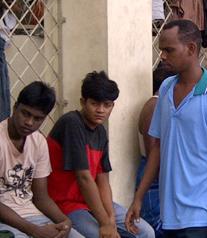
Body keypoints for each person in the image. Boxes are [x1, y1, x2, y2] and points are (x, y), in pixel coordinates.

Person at [126, 20, 207, 238]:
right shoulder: (166, 88)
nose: (163, 56)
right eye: (161, 50)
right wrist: (139, 197)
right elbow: (157, 147)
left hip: (202, 215)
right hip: (168, 214)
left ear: (191, 49)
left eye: (169, 50)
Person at [47, 71, 154, 238]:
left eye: (107, 105)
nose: (101, 110)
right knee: (101, 235)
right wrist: (105, 224)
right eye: (95, 104)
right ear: (83, 102)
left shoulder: (100, 132)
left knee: (145, 233)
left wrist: (110, 219)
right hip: (65, 203)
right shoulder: (71, 123)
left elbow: (103, 180)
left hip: (90, 201)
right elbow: (84, 178)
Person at [0, 82, 81, 238]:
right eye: (25, 113)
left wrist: (64, 220)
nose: (29, 122)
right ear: (15, 107)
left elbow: (41, 197)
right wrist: (33, 230)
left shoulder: (39, 142)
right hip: (6, 221)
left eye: (37, 118)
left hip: (32, 216)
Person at [136, 64, 175, 237]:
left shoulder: (160, 104)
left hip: (158, 174)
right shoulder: (155, 105)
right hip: (154, 176)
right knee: (157, 226)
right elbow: (154, 151)